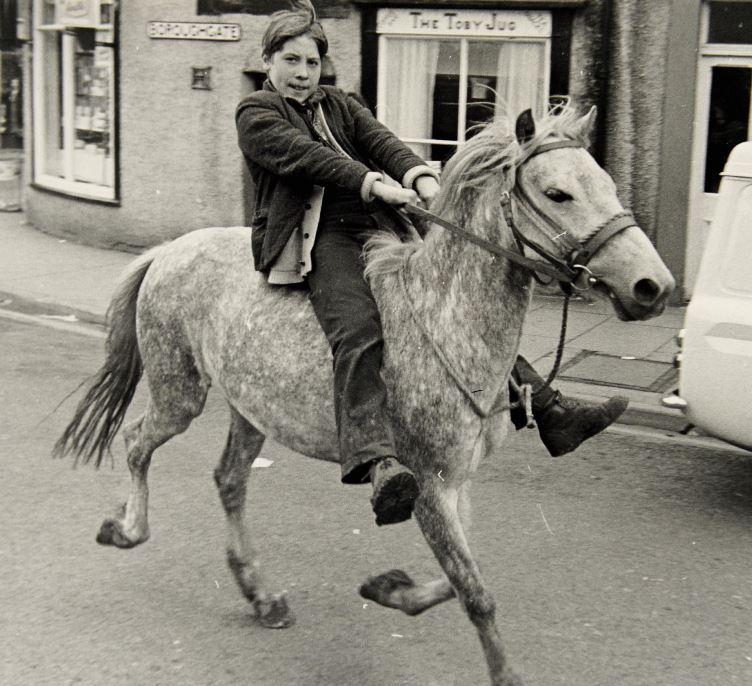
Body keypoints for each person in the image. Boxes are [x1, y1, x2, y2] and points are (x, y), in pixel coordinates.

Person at [235, 0, 627, 527]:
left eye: (310, 62)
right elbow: (305, 157)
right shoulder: (257, 112)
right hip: (318, 237)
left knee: (460, 312)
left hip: (377, 223)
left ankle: (550, 410)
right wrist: (370, 181)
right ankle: (375, 459)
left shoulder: (340, 104)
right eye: (290, 60)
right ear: (268, 61)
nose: (302, 73)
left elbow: (381, 140)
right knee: (357, 329)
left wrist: (420, 176)